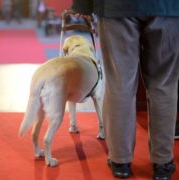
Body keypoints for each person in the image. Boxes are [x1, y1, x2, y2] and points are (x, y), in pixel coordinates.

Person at [71, 0, 179, 179]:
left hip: (117, 6)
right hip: (168, 6)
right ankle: (163, 162)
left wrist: (83, 4)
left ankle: (120, 161)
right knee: (164, 84)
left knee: (119, 83)